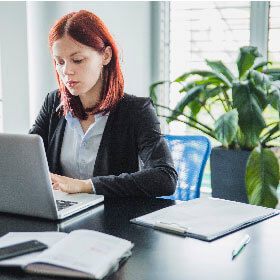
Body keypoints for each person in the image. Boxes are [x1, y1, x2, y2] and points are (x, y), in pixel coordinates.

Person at [29, 10, 177, 197]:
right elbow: (27, 161)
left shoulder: (136, 111)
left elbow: (165, 178)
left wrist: (86, 186)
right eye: (59, 62)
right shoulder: (53, 103)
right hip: (62, 216)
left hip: (113, 219)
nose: (66, 71)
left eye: (77, 60)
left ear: (106, 56)